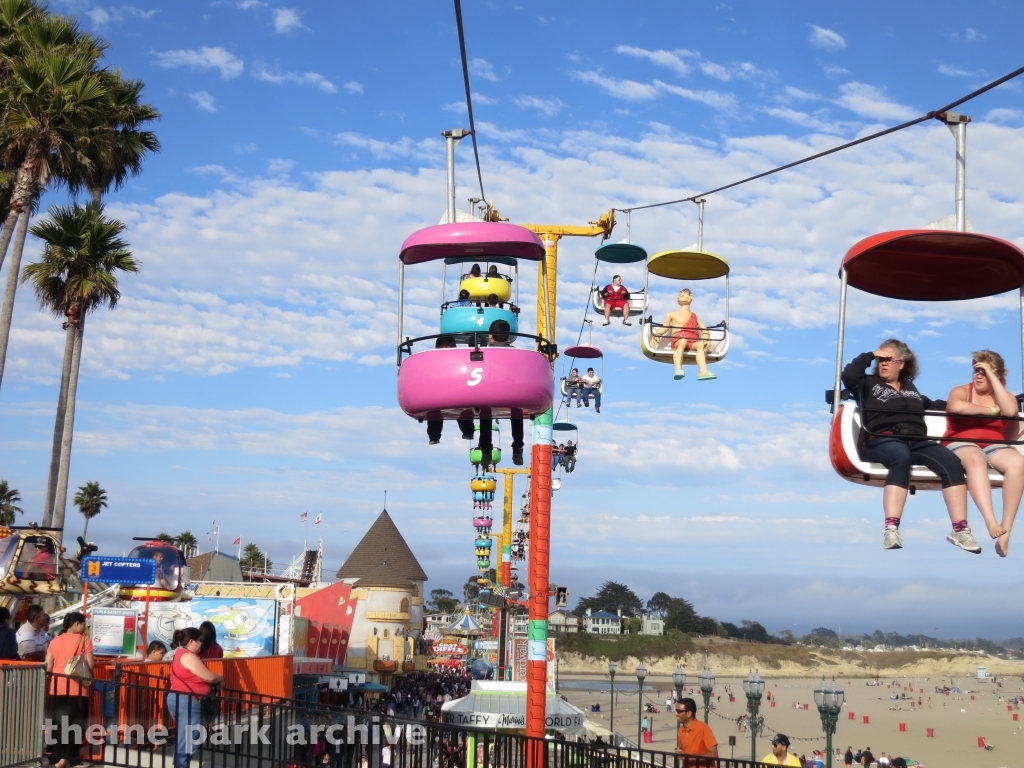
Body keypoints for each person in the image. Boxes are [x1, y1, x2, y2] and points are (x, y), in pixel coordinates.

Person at [842, 340, 977, 553]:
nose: (883, 364)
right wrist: (870, 354)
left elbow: (933, 405)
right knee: (900, 456)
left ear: (901, 364)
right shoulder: (867, 384)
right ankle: (891, 529)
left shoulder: (910, 389)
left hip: (916, 439)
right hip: (881, 438)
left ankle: (960, 530)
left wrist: (976, 407)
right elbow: (848, 375)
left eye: (888, 360)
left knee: (951, 461)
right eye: (880, 360)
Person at [944, 350, 1024, 556]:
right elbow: (956, 407)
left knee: (1018, 463)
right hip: (960, 442)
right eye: (976, 370)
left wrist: (994, 378)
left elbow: (1009, 411)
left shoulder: (1004, 397)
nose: (979, 375)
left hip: (993, 445)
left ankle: (1006, 530)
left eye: (984, 372)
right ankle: (990, 521)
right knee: (974, 458)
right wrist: (991, 411)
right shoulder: (961, 390)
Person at [167, 627, 223, 768]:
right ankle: (180, 765)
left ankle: (180, 765)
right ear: (191, 641)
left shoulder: (180, 654)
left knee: (185, 738)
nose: (201, 644)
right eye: (199, 640)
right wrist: (220, 678)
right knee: (191, 739)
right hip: (188, 701)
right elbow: (209, 677)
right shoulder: (188, 656)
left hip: (183, 699)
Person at [45, 612, 94, 768]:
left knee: (58, 724)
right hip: (77, 689)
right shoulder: (84, 640)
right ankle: (69, 758)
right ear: (76, 624)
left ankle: (56, 756)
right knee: (76, 724)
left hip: (57, 687)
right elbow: (90, 665)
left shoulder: (55, 641)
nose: (84, 627)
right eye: (83, 623)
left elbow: (48, 665)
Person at [478, 320, 524, 465]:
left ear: (490, 336)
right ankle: (517, 447)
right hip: (511, 392)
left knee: (485, 414)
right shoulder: (517, 353)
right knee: (517, 413)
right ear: (508, 337)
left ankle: (486, 450)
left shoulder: (483, 352)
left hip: (489, 392)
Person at [653, 289, 716, 381]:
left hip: (693, 340)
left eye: (684, 294)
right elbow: (665, 327)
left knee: (700, 345)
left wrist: (706, 339)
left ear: (691, 297)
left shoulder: (694, 316)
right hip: (679, 339)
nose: (680, 296)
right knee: (683, 342)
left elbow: (704, 330)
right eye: (680, 294)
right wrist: (657, 335)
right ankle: (678, 369)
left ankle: (703, 371)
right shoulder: (671, 314)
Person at [427, 336, 475, 445]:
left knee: (462, 405)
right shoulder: (436, 361)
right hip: (443, 391)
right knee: (436, 409)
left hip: (451, 390)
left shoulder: (455, 360)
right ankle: (435, 435)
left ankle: (435, 436)